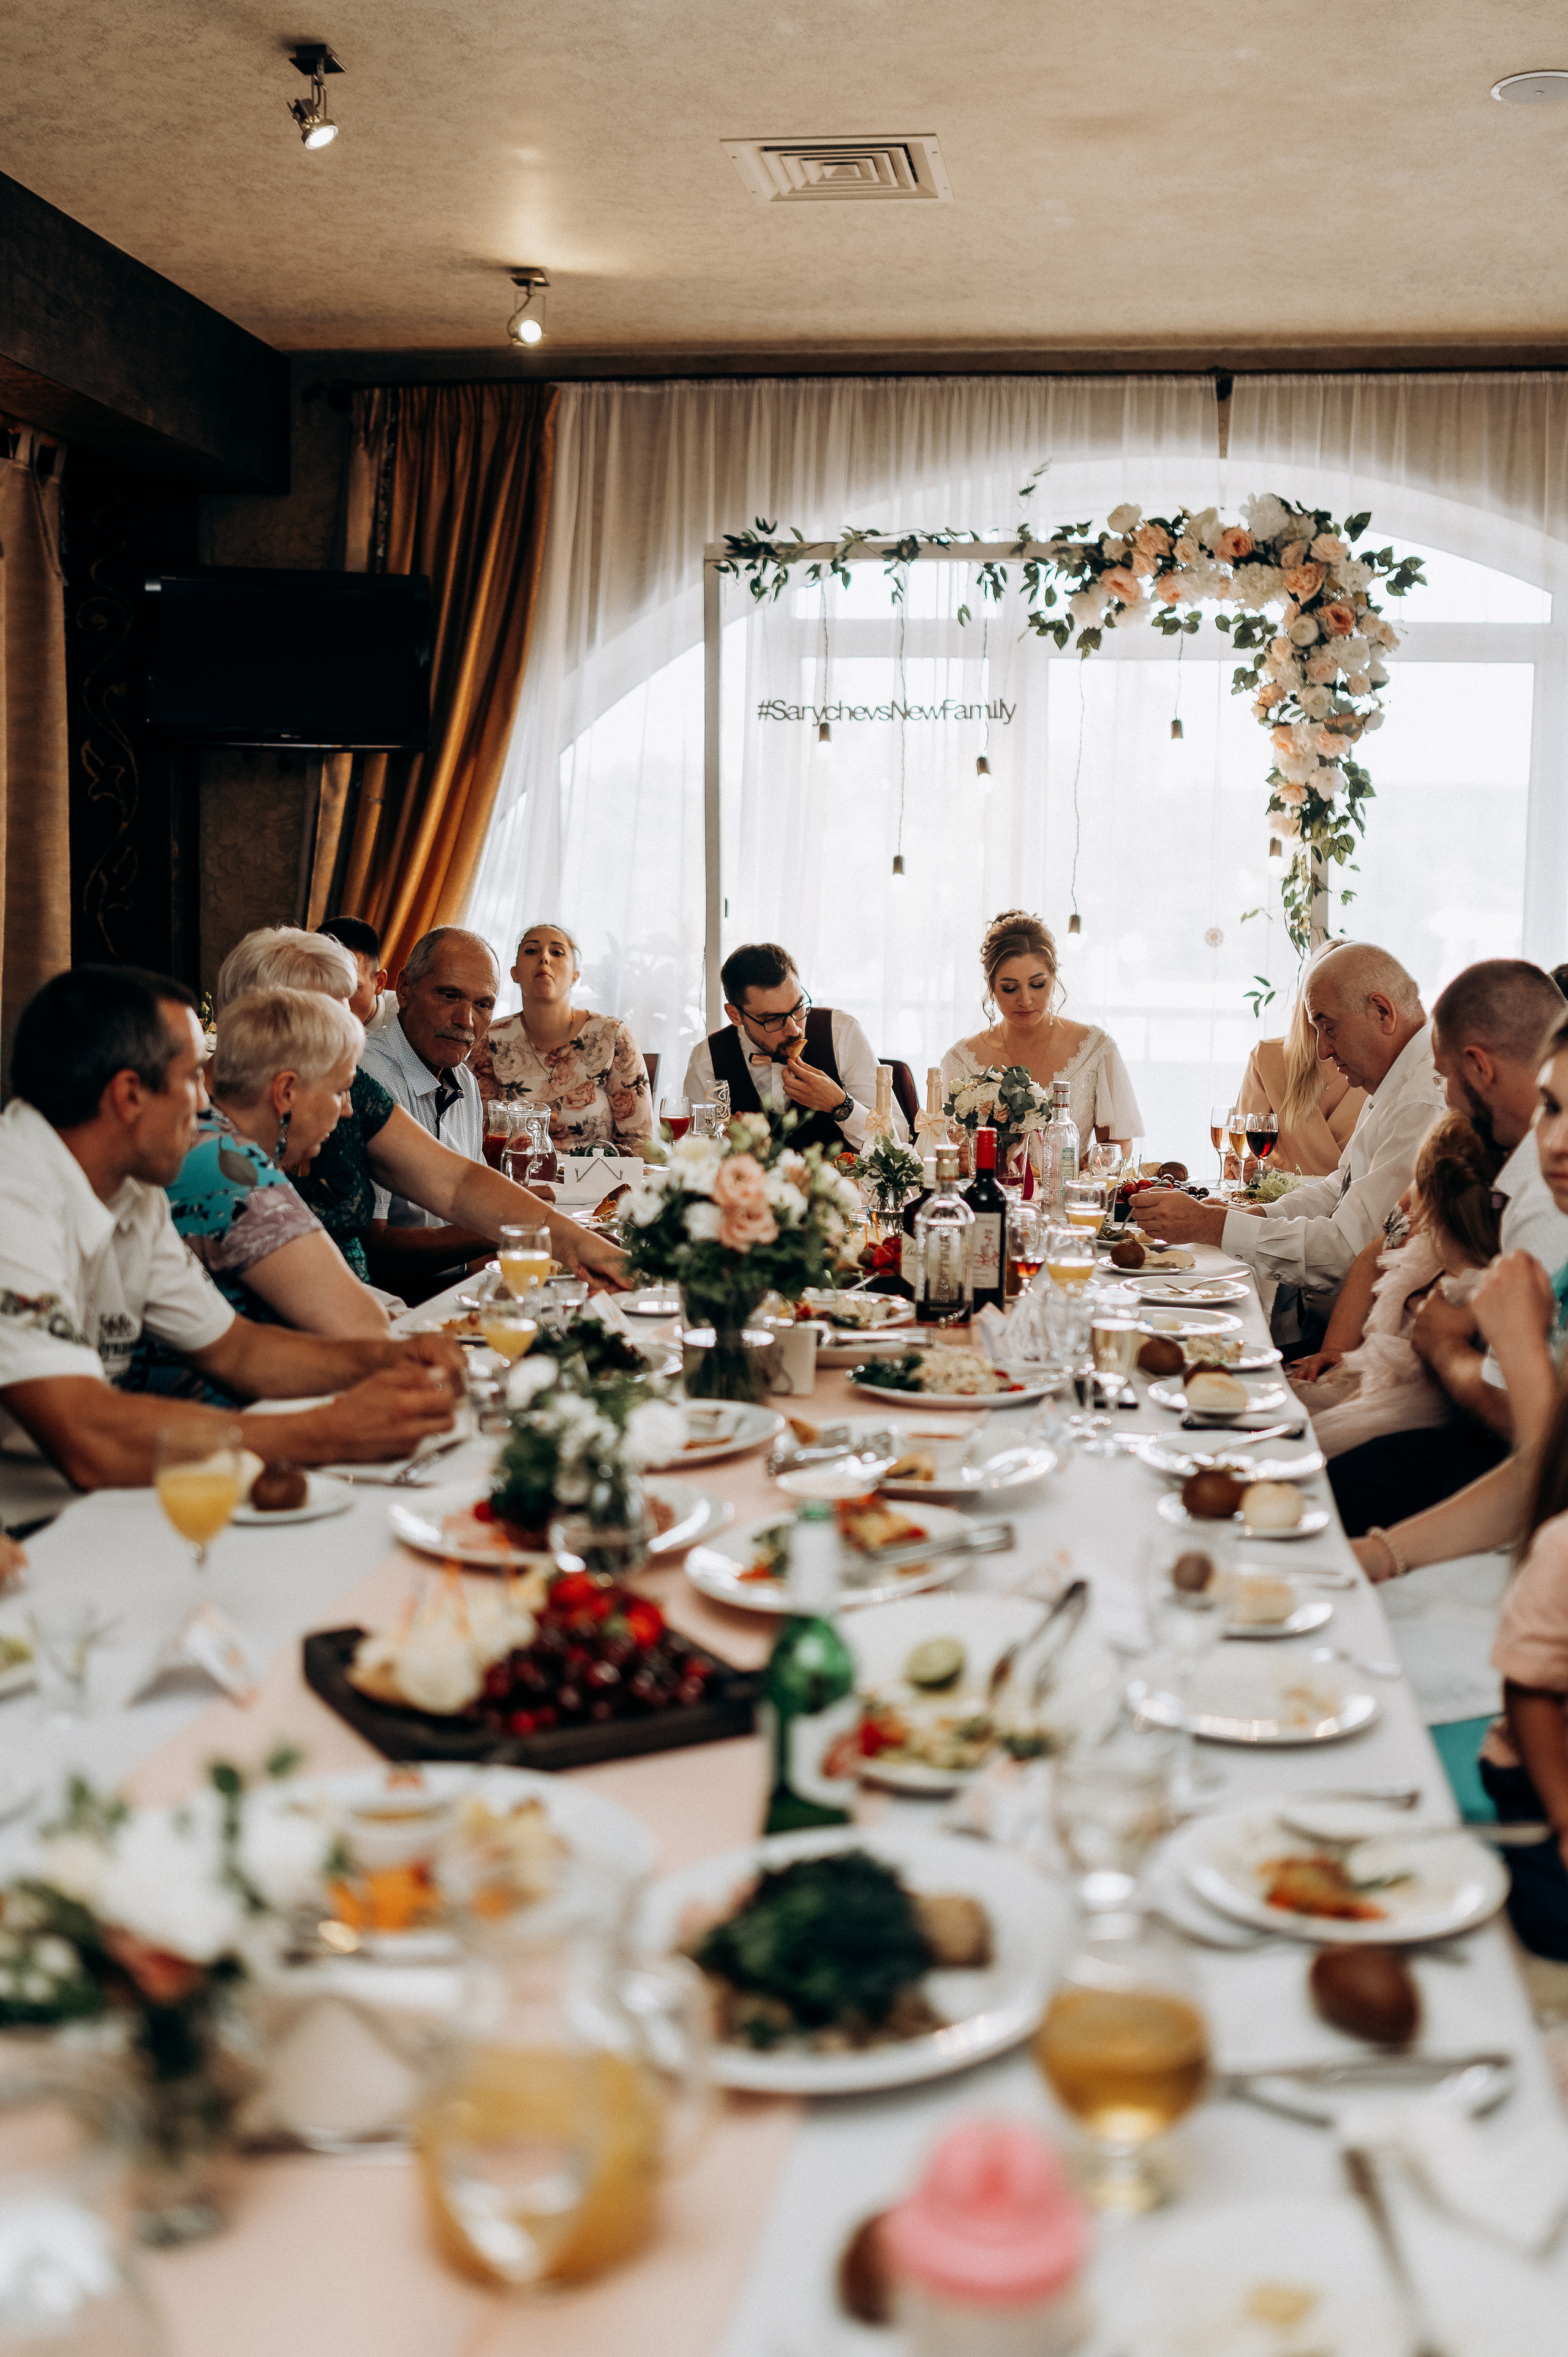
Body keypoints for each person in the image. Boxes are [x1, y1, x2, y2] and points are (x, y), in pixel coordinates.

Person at [0, 966, 467, 1527]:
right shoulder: (13, 1199)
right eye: (195, 1075)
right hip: (34, 1530)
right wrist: (328, 1432)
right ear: (129, 1095)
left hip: (109, 1506)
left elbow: (238, 1350)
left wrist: (391, 1359)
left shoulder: (134, 1191)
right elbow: (86, 1436)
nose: (205, 1104)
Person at [1324, 958, 1568, 1534]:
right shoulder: (1525, 1180)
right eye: (1550, 1108)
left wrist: (1445, 1348)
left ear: (1478, 1066)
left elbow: (1527, 1426)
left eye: (1445, 1079)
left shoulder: (1539, 1197)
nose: (1447, 1100)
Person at [1139, 944, 1445, 1347]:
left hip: (1380, 1339)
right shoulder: (1395, 1079)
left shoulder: (1420, 1101)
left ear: (1382, 1012)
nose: (1321, 1050)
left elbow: (1346, 1251)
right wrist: (1257, 1211)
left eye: (1329, 1027)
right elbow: (1340, 1187)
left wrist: (1213, 1226)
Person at [144, 988, 391, 1403]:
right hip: (203, 1432)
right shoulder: (227, 1164)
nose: (348, 1110)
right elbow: (365, 1328)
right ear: (286, 1092)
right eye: (341, 1089)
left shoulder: (208, 1137)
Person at [1287, 1116, 1501, 1458]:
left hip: (1417, 1413)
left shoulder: (1480, 1287)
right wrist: (1338, 1349)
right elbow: (1375, 1255)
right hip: (1371, 1371)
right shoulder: (1424, 1203)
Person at [682, 942, 907, 1157]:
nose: (794, 1029)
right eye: (772, 1019)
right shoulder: (708, 1059)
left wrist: (841, 1105)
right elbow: (693, 1154)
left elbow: (900, 1140)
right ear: (735, 1015)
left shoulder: (842, 1032)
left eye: (799, 1007)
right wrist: (725, 1144)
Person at [941, 909, 1142, 1149]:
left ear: (1054, 978)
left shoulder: (1095, 1049)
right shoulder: (961, 1060)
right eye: (1009, 988)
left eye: (1037, 984)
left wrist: (1088, 1169)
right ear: (991, 987)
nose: (1025, 1000)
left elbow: (1117, 1142)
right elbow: (942, 1146)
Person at [472, 921, 653, 1152]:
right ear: (514, 973)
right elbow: (475, 1133)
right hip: (514, 1179)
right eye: (531, 951)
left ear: (575, 975)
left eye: (557, 952)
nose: (544, 958)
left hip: (597, 1180)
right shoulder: (491, 1038)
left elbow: (639, 1143)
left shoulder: (612, 1034)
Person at [1234, 940, 1367, 1176]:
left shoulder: (1380, 1069)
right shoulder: (1267, 1059)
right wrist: (1243, 1169)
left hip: (1358, 1208)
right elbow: (1241, 1161)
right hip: (1282, 1208)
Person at [317, 914, 390, 1031]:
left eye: (351, 989)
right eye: (324, 988)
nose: (337, 1004)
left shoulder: (407, 1022)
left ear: (379, 982)